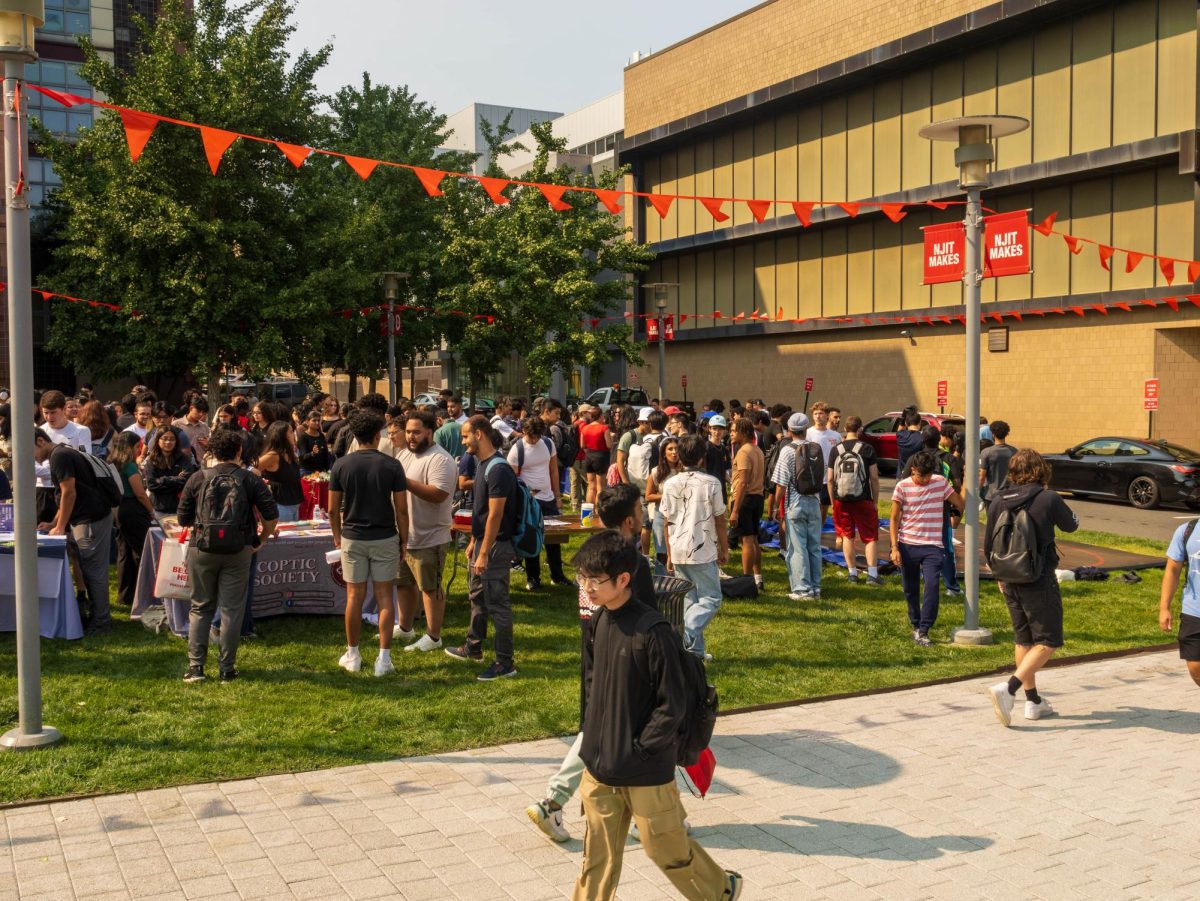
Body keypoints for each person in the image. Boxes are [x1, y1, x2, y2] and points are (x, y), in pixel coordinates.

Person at [569, 530, 743, 901]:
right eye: (582, 579)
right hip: (599, 768)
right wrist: (591, 736)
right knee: (595, 859)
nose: (587, 588)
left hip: (646, 770)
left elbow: (673, 705)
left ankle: (720, 891)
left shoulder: (654, 632)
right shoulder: (599, 621)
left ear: (623, 580)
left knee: (667, 852)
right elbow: (591, 682)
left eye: (595, 580)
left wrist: (641, 749)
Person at [525, 483, 656, 844]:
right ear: (630, 520)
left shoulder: (590, 553)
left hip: (594, 650)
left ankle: (642, 812)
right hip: (624, 654)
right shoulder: (629, 561)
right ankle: (554, 799)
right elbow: (645, 615)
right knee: (611, 730)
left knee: (608, 729)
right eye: (641, 510)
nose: (643, 515)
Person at [177, 428, 279, 682]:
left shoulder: (198, 477)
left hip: (201, 547)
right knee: (232, 609)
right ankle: (226, 669)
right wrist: (262, 539)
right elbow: (271, 515)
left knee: (200, 607)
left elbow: (182, 518)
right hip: (239, 548)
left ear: (211, 451)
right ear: (239, 451)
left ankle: (195, 667)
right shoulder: (250, 479)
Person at [986, 450, 1079, 725]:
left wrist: (999, 576)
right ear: (1041, 471)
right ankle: (1010, 688)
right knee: (1048, 640)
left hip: (1008, 576)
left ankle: (1034, 701)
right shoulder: (1047, 498)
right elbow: (1071, 525)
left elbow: (990, 544)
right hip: (1038, 577)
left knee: (1023, 639)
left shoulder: (998, 500)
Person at [328, 409, 409, 676]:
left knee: (354, 597)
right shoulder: (392, 465)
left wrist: (337, 535)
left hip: (353, 537)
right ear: (378, 435)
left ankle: (353, 654)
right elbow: (401, 509)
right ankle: (383, 660)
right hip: (385, 536)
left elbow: (332, 509)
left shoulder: (341, 465)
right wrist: (404, 539)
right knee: (386, 598)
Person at [446, 415, 520, 680]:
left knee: (498, 603)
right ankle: (473, 647)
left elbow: (495, 515)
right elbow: (481, 511)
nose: (462, 440)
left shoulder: (498, 468)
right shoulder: (483, 465)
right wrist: (475, 543)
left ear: (479, 434)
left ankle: (505, 662)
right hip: (484, 544)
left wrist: (485, 551)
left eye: (465, 436)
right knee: (477, 596)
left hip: (497, 547)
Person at [34, 428, 115, 635]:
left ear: (40, 441)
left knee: (94, 572)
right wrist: (54, 523)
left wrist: (60, 526)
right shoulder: (62, 453)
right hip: (88, 517)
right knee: (90, 569)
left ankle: (101, 623)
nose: (32, 457)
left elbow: (69, 493)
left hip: (90, 519)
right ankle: (97, 617)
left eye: (30, 451)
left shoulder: (59, 457)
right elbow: (65, 495)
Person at [393, 410, 457, 652]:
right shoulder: (404, 456)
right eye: (408, 431)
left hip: (430, 535)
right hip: (404, 536)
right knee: (403, 583)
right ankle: (406, 628)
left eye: (416, 432)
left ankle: (433, 636)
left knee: (430, 587)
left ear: (430, 432)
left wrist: (404, 481)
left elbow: (438, 495)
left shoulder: (440, 459)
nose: (410, 436)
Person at [660, 434, 728, 660]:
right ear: (701, 457)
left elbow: (667, 521)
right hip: (702, 547)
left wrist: (669, 553)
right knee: (711, 599)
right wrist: (724, 547)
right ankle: (688, 632)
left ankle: (694, 652)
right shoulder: (712, 483)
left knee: (690, 601)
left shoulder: (670, 483)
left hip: (678, 546)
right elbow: (720, 519)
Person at [889, 450, 965, 646]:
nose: (925, 480)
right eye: (921, 475)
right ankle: (915, 624)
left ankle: (924, 630)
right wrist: (894, 547)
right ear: (913, 469)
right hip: (907, 544)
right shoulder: (902, 487)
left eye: (928, 475)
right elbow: (894, 518)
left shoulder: (940, 482)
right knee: (910, 588)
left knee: (932, 586)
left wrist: (956, 513)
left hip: (933, 545)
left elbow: (959, 502)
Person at [508, 416, 568, 590]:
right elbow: (513, 481)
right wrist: (525, 496)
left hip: (548, 499)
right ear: (524, 432)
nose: (535, 440)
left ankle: (557, 575)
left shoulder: (548, 444)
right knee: (531, 539)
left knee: (553, 540)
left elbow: (553, 471)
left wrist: (558, 497)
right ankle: (533, 578)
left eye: (538, 436)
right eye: (531, 436)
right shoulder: (517, 449)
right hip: (529, 502)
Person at [772, 412, 824, 601]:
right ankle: (816, 587)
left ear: (789, 430)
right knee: (814, 546)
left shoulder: (787, 450)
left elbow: (780, 483)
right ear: (805, 428)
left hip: (795, 502)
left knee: (797, 547)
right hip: (814, 501)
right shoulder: (816, 449)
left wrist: (776, 507)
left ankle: (802, 589)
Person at [827, 415, 882, 585]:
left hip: (841, 499)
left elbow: (830, 479)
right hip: (863, 497)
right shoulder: (867, 449)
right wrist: (875, 500)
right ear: (860, 429)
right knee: (870, 536)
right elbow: (874, 477)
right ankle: (872, 574)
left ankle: (852, 573)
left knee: (847, 535)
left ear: (845, 429)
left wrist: (833, 499)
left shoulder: (836, 449)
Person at [107, 432, 156, 609]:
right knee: (141, 553)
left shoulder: (112, 463)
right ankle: (142, 594)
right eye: (137, 447)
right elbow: (140, 494)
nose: (138, 450)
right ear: (130, 447)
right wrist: (152, 512)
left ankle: (125, 595)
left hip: (118, 509)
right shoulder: (130, 467)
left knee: (124, 553)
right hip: (132, 509)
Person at [36, 390, 91, 525]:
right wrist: (57, 474)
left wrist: (64, 476)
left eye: (53, 412)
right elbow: (32, 464)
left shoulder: (80, 431)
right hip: (43, 490)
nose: (49, 417)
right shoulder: (39, 430)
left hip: (70, 489)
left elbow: (86, 461)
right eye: (45, 413)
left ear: (64, 409)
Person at [1161, 515, 1200, 690]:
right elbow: (1172, 569)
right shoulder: (1186, 530)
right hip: (1194, 610)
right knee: (1195, 666)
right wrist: (1164, 607)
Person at [728, 418, 765, 589]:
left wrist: (735, 510)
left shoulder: (743, 452)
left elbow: (743, 482)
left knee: (747, 541)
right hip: (757, 498)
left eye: (734, 430)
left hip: (745, 498)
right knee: (754, 540)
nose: (731, 433)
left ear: (743, 432)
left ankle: (746, 579)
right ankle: (758, 578)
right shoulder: (757, 450)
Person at [257, 421, 304, 522]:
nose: (294, 434)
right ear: (282, 435)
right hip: (280, 505)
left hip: (294, 503)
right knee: (284, 536)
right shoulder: (273, 455)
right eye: (291, 432)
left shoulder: (289, 453)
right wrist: (264, 485)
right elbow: (250, 470)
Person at [645, 436, 682, 566]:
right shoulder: (656, 472)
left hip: (681, 514)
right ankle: (662, 580)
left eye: (677, 449)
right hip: (660, 515)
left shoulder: (684, 471)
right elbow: (648, 496)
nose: (674, 452)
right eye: (670, 449)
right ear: (664, 453)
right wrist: (667, 495)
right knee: (662, 551)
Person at [142, 426, 196, 514]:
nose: (168, 442)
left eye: (172, 439)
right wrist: (175, 480)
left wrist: (161, 481)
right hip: (158, 507)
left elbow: (187, 481)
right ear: (158, 440)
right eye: (165, 439)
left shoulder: (183, 458)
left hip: (179, 507)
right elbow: (151, 485)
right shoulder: (152, 460)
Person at [806, 401, 842, 524]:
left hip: (829, 478)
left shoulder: (836, 436)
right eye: (815, 413)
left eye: (820, 413)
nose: (818, 416)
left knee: (824, 507)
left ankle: (819, 531)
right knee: (812, 507)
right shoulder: (808, 433)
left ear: (827, 415)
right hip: (813, 477)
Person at [579, 404, 612, 505]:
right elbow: (609, 445)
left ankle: (589, 511)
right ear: (601, 416)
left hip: (589, 456)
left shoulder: (585, 428)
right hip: (601, 456)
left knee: (591, 486)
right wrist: (612, 438)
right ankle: (599, 510)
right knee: (600, 486)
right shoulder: (604, 428)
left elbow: (582, 445)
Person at [979, 419, 1016, 502]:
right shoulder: (1015, 451)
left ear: (993, 434)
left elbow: (982, 476)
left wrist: (977, 491)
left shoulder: (986, 452)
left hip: (991, 496)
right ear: (1006, 434)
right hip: (1010, 495)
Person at [296, 406, 331, 474]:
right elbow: (303, 456)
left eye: (318, 420)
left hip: (321, 471)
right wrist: (313, 453)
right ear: (307, 422)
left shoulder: (321, 436)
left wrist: (327, 470)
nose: (317, 423)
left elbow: (325, 454)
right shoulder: (303, 437)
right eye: (314, 420)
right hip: (307, 471)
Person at [895, 408, 925, 475]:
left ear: (906, 423)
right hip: (916, 475)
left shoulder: (900, 435)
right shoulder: (922, 437)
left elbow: (899, 429)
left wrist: (903, 417)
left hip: (901, 475)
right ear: (920, 422)